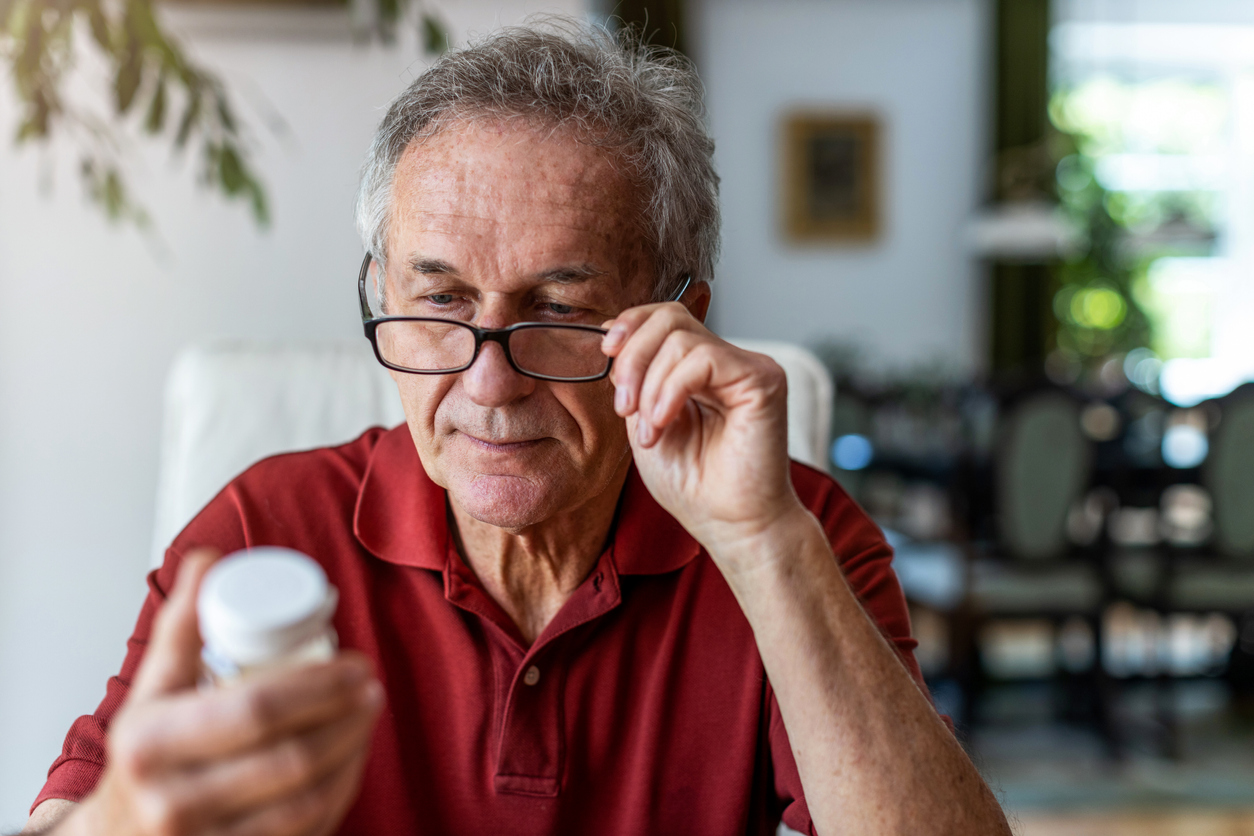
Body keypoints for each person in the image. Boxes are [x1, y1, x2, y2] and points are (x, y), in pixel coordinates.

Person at [22, 21, 1010, 836]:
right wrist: (119, 816)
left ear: (681, 321)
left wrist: (764, 544)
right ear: (382, 294)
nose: (488, 382)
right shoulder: (263, 527)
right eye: (439, 301)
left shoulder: (802, 536)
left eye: (562, 312)